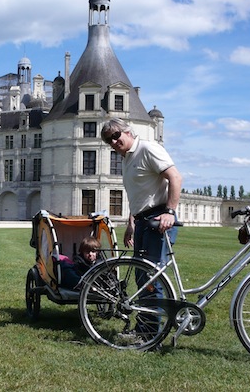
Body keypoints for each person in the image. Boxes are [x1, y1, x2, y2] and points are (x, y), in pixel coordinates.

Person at [101, 118, 182, 341]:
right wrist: (131, 223)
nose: (114, 142)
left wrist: (170, 212)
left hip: (158, 220)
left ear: (128, 131)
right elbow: (138, 196)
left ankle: (150, 335)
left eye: (117, 135)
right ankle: (146, 328)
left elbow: (175, 177)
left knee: (150, 279)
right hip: (142, 222)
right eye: (109, 140)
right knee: (141, 277)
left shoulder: (148, 148)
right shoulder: (127, 159)